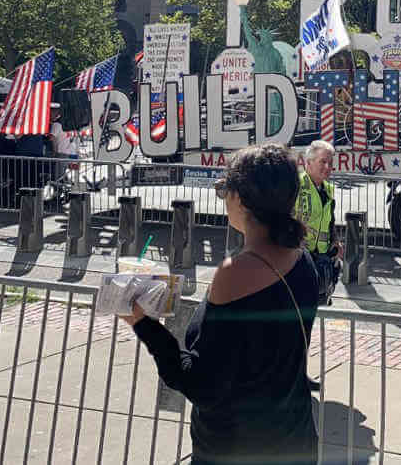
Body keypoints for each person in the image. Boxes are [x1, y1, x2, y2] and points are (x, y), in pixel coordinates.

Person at [122, 144, 319, 465]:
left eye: (222, 188)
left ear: (239, 198)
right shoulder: (302, 258)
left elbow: (202, 385)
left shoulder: (236, 273)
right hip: (295, 438)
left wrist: (143, 324)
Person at [295, 139, 342, 305]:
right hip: (298, 257)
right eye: (323, 162)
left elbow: (330, 220)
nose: (328, 167)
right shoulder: (296, 185)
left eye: (330, 163)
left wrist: (335, 240)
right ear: (308, 163)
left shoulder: (328, 189)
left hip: (320, 257)